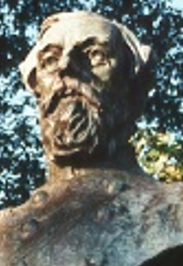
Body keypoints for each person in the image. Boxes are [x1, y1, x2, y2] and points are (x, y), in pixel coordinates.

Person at [20, 11, 152, 173]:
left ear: (132, 85)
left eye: (96, 54)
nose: (65, 65)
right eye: (50, 60)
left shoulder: (182, 198)